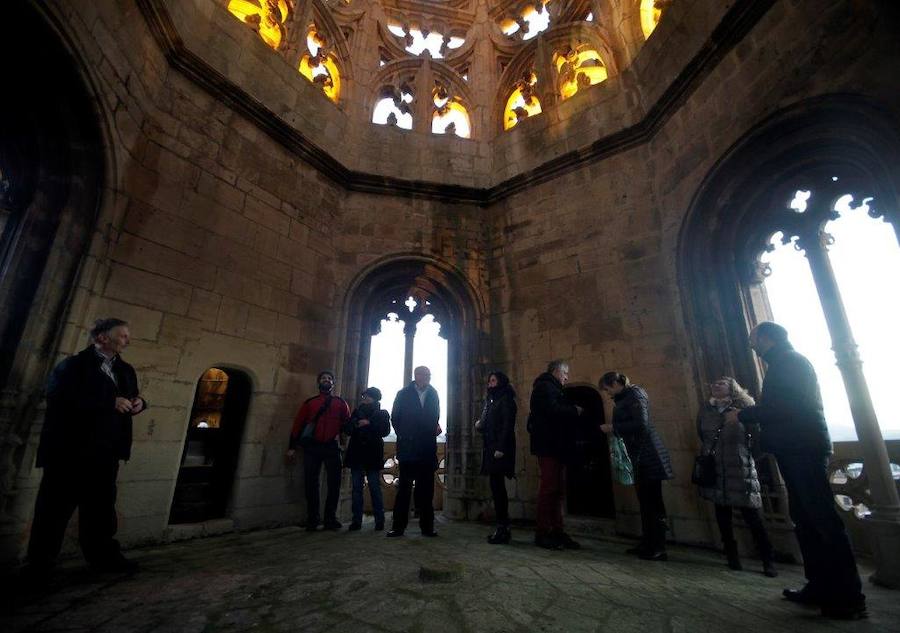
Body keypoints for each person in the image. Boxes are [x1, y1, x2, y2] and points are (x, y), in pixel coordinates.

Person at [725, 322, 866, 620]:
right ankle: (819, 586)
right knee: (805, 520)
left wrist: (744, 414)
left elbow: (787, 407)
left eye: (753, 338)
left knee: (822, 521)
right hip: (794, 447)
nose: (750, 343)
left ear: (766, 338)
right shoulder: (784, 363)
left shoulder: (791, 363)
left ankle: (849, 597)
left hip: (803, 448)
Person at [25, 318, 147, 578]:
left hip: (106, 451)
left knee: (101, 509)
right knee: (54, 509)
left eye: (127, 335)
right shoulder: (74, 366)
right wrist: (109, 401)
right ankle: (39, 565)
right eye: (122, 335)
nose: (127, 340)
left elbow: (130, 395)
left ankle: (104, 558)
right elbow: (59, 397)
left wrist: (139, 403)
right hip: (70, 451)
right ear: (102, 338)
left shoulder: (124, 370)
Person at [697, 377, 776, 577]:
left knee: (752, 515)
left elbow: (756, 437)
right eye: (713, 383)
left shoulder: (745, 409)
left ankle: (767, 559)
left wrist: (747, 456)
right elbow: (701, 433)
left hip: (739, 466)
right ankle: (732, 555)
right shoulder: (706, 410)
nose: (715, 385)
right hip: (715, 466)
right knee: (722, 514)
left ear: (733, 388)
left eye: (721, 383)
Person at [599, 372, 673, 561]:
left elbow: (642, 424)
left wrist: (613, 428)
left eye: (608, 389)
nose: (608, 394)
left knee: (653, 503)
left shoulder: (635, 395)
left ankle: (658, 546)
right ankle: (648, 542)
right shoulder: (626, 397)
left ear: (616, 383)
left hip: (649, 454)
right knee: (645, 502)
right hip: (639, 455)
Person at [527, 360, 583, 550]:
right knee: (549, 489)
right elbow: (552, 410)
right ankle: (543, 532)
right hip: (548, 446)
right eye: (565, 373)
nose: (567, 377)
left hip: (556, 446)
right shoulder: (545, 387)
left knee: (557, 491)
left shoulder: (552, 388)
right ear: (556, 371)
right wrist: (573, 410)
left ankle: (557, 531)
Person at [286, 370, 350, 531]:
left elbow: (346, 424)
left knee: (334, 484)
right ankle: (312, 518)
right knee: (310, 483)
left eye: (329, 378)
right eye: (323, 378)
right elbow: (298, 425)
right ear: (319, 383)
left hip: (331, 447)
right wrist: (291, 447)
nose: (326, 380)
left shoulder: (341, 403)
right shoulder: (310, 403)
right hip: (312, 447)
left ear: (333, 384)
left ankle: (330, 518)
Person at [387, 366, 441, 538]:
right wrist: (404, 434)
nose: (426, 378)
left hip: (426, 448)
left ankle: (427, 527)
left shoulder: (433, 393)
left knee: (426, 490)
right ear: (416, 376)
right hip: (408, 448)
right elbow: (395, 417)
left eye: (428, 375)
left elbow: (435, 417)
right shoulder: (403, 394)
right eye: (424, 375)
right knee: (404, 489)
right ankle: (398, 527)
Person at [475, 371, 517, 544]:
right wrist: (479, 425)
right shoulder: (491, 400)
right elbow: (489, 424)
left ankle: (503, 528)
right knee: (496, 487)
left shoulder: (506, 399)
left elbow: (507, 425)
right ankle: (502, 526)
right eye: (489, 381)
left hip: (499, 450)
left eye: (493, 381)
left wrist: (500, 448)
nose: (490, 384)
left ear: (500, 382)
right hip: (491, 448)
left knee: (498, 489)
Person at [343, 387, 391, 531]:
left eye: (369, 396)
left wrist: (369, 424)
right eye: (365, 396)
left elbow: (385, 431)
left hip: (372, 454)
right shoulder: (357, 412)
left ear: (376, 398)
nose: (365, 398)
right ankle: (356, 520)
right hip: (357, 454)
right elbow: (348, 430)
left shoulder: (382, 413)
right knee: (357, 488)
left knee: (375, 488)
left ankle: (379, 520)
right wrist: (354, 424)